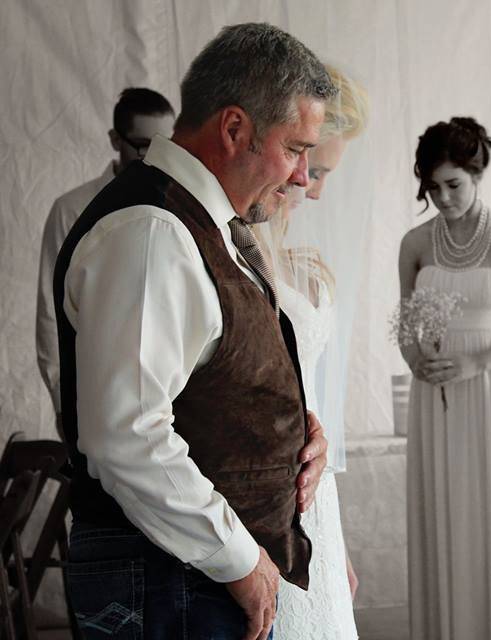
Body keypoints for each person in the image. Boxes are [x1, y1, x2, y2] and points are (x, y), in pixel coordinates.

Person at [54, 23, 334, 639]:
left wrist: (290, 428)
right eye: (296, 148)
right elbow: (126, 435)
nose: (303, 178)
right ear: (234, 129)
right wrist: (243, 565)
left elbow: (211, 377)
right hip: (170, 581)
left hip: (186, 579)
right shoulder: (152, 230)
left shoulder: (203, 223)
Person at [398, 117, 491, 640]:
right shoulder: (415, 243)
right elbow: (407, 324)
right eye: (432, 188)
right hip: (433, 392)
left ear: (477, 173)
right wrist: (415, 359)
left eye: (453, 184)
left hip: (490, 389)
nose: (442, 197)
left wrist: (476, 364)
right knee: (443, 512)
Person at [255, 64, 368, 640]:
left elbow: (316, 405)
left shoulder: (304, 268)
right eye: (311, 167)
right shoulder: (236, 252)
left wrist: (335, 543)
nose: (315, 187)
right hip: (268, 505)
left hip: (316, 502)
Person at [36, 87, 174, 438]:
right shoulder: (71, 209)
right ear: (116, 139)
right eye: (143, 144)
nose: (155, 156)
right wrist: (64, 404)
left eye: (166, 144)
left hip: (171, 403)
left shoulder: (182, 208)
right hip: (94, 399)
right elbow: (51, 313)